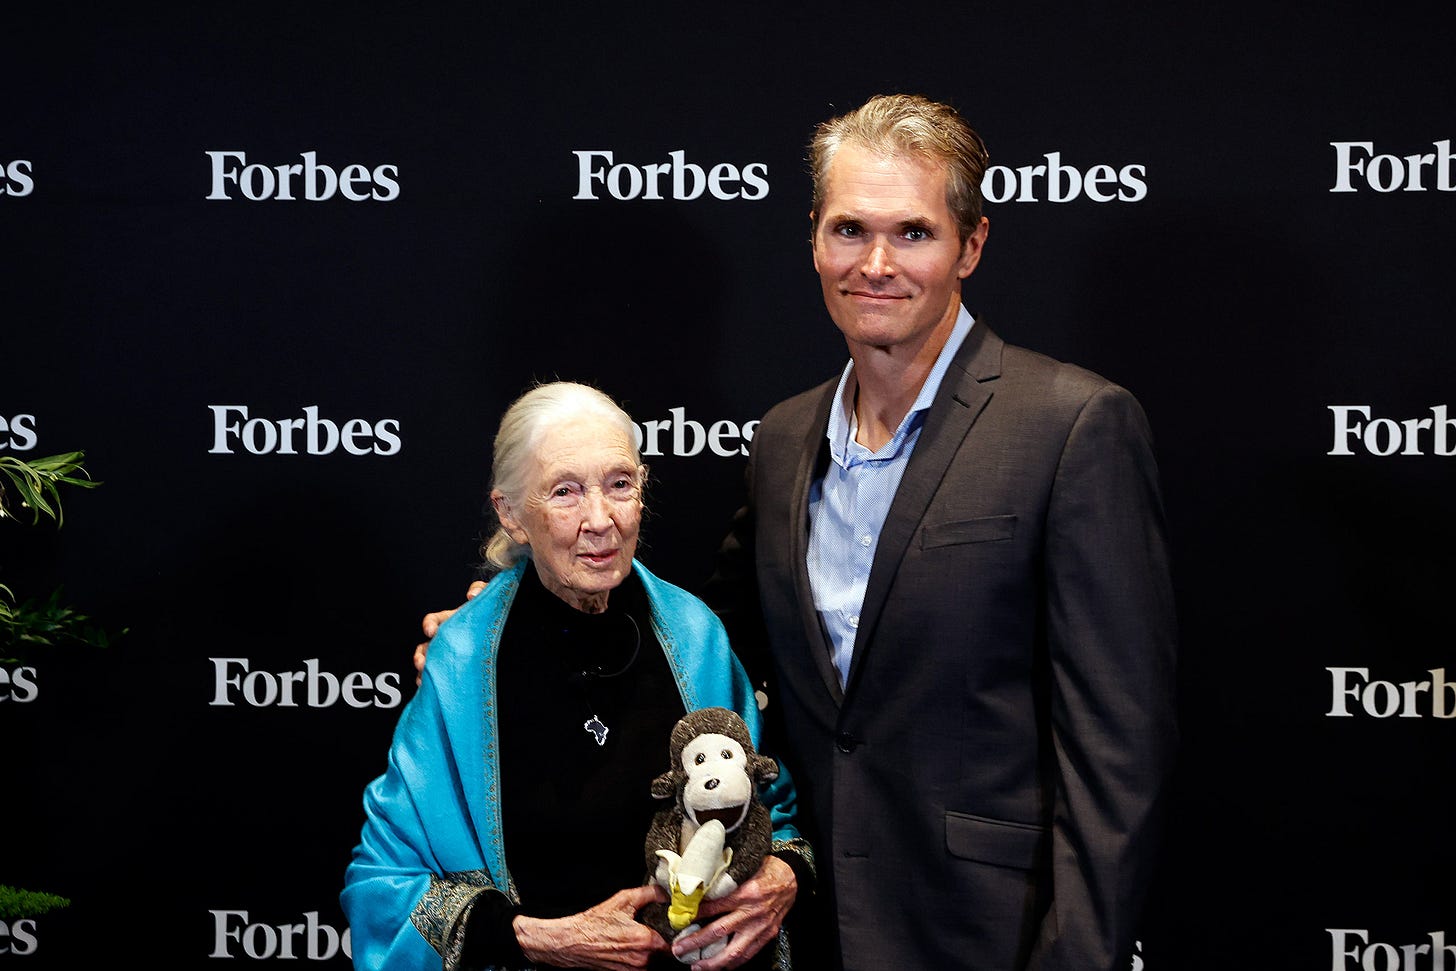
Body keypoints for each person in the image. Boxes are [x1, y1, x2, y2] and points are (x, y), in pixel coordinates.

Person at [419, 94, 1178, 971]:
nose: (878, 264)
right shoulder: (785, 439)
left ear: (970, 244)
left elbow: (1118, 757)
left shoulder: (1073, 425)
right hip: (801, 935)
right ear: (814, 236)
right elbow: (702, 648)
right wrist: (509, 623)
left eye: (915, 233)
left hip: (989, 934)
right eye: (850, 229)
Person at [345, 381, 813, 971]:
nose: (600, 519)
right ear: (511, 514)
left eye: (620, 484)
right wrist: (542, 940)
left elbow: (775, 815)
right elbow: (383, 882)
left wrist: (783, 873)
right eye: (565, 492)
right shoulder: (461, 660)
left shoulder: (695, 637)